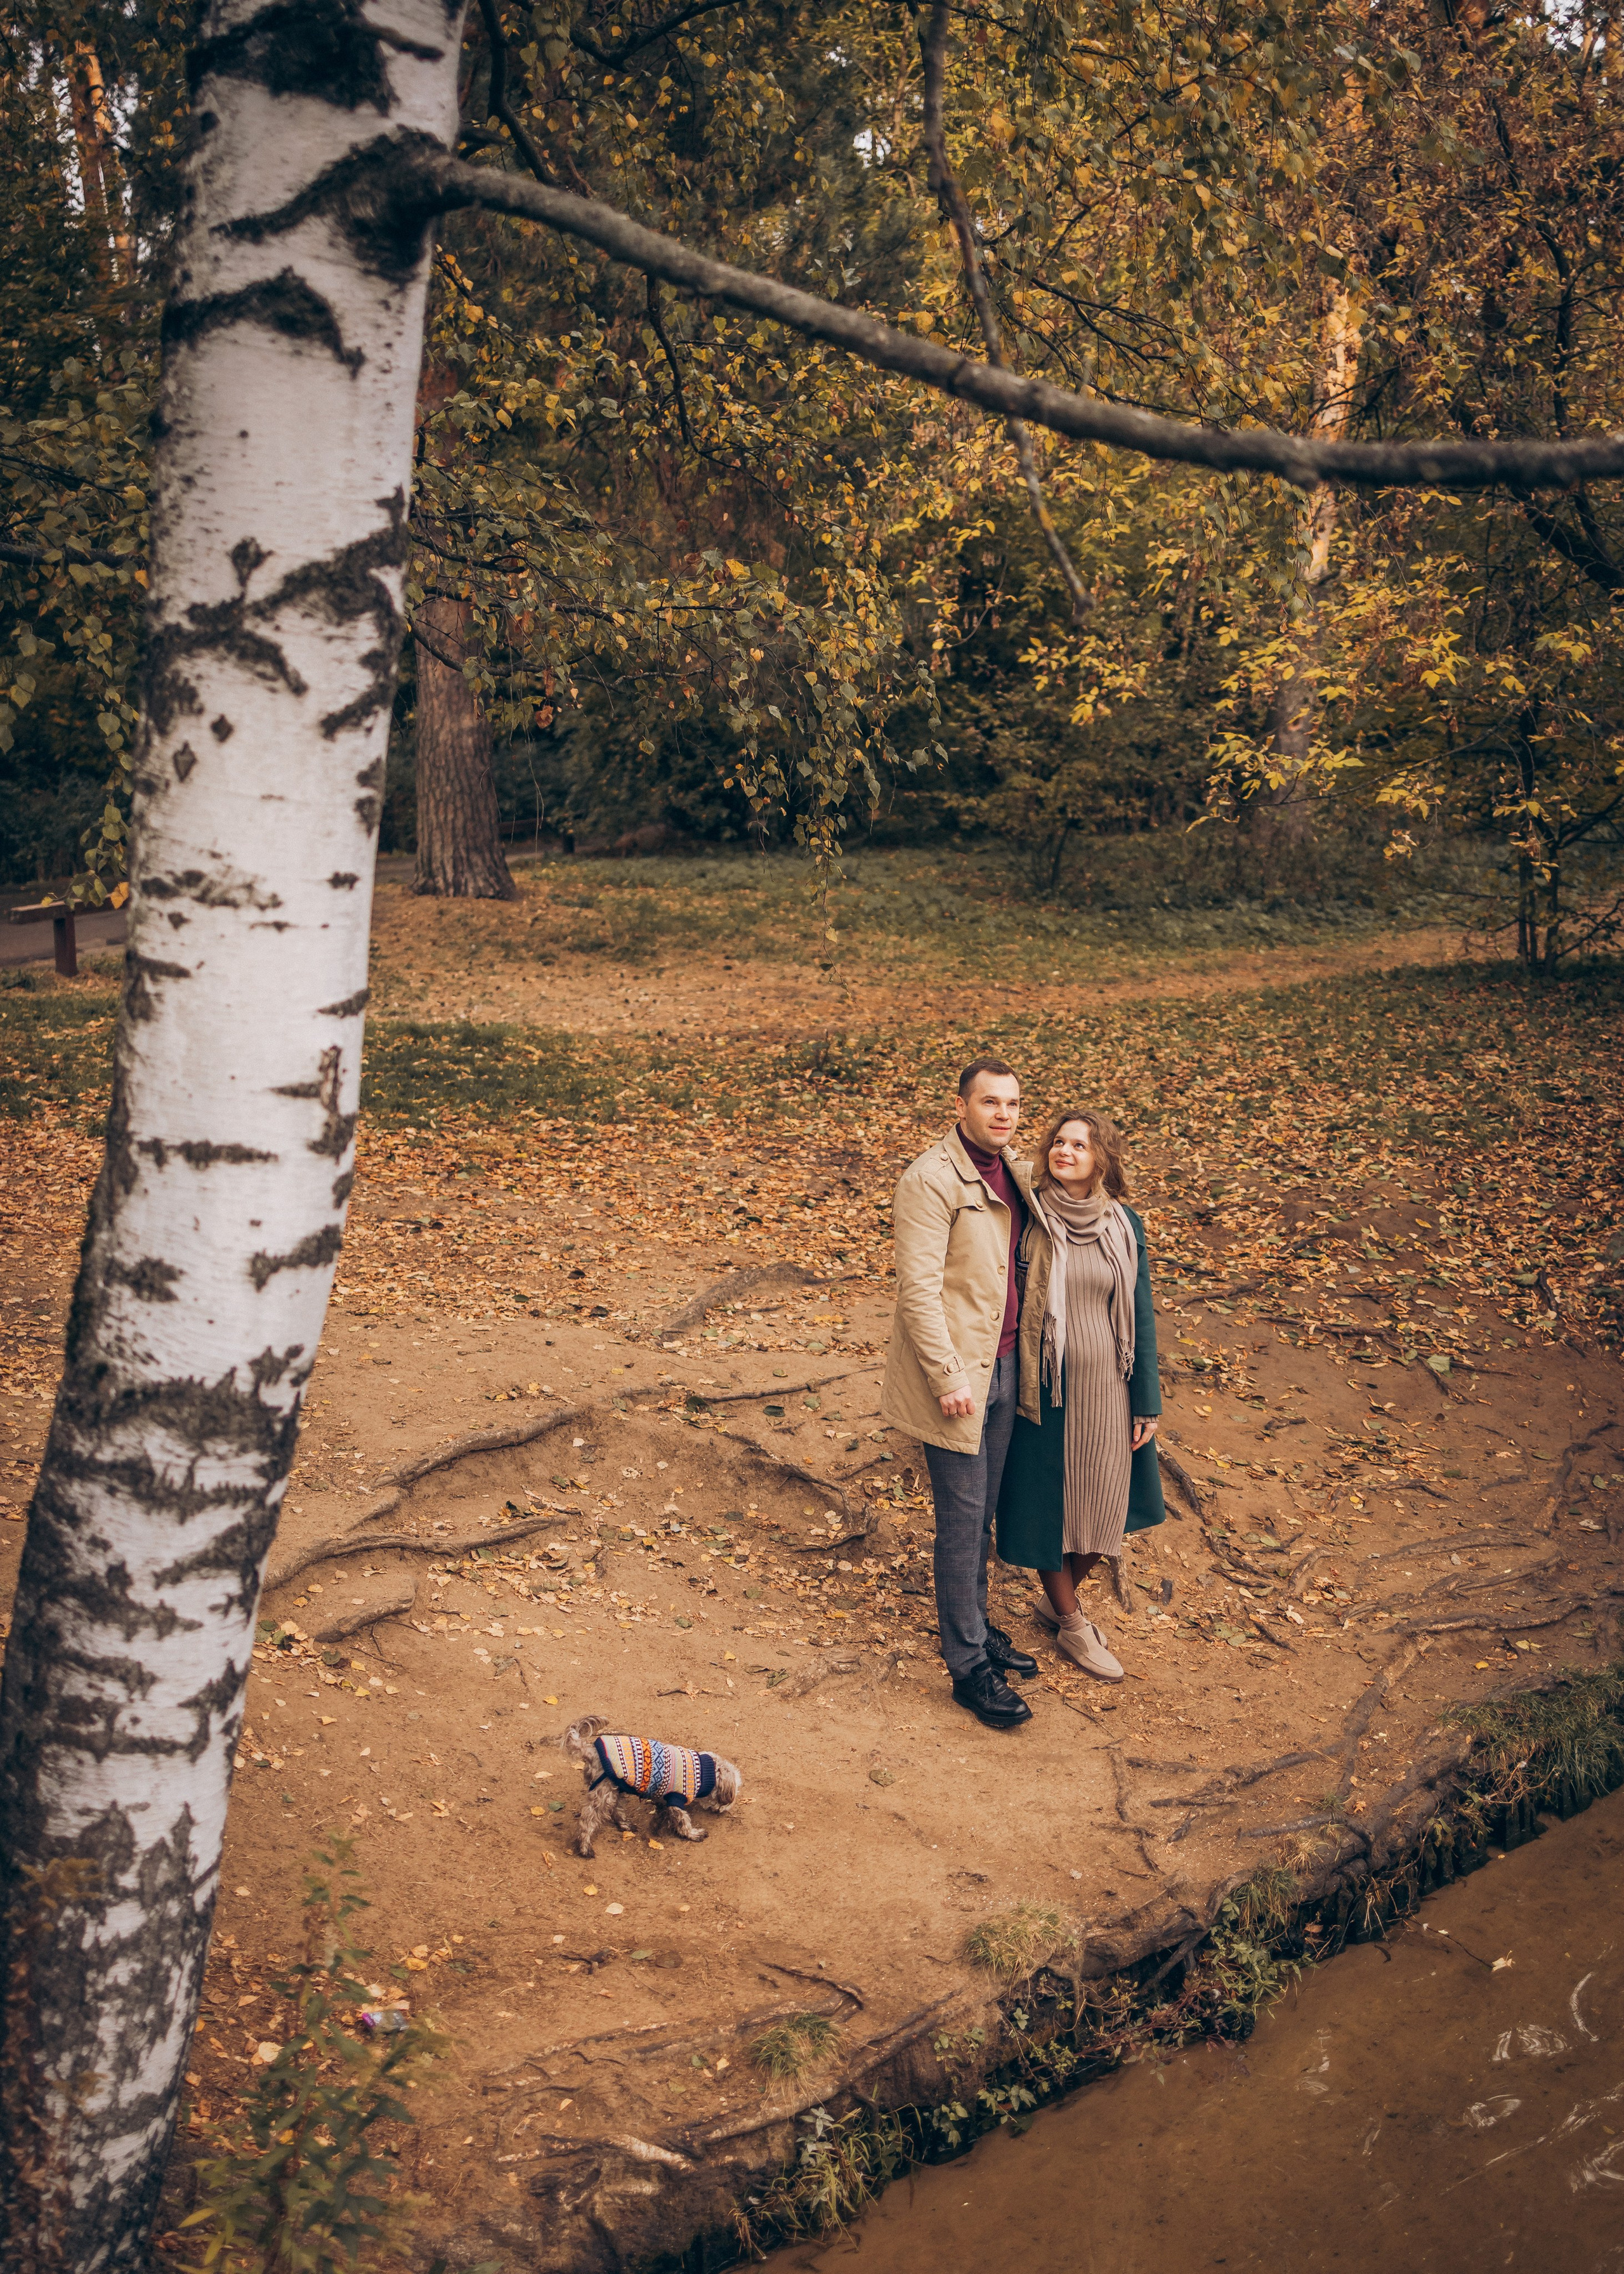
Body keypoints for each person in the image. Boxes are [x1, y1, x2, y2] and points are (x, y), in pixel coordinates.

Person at [881, 1055, 1040, 1730]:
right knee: (960, 1521)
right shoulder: (929, 1179)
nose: (1002, 1113)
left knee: (983, 1518)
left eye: (1011, 1103)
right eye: (989, 1102)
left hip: (1006, 1366)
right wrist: (947, 1377)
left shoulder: (1017, 1173)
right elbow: (917, 1290)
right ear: (961, 1107)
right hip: (960, 1379)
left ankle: (976, 1626)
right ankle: (967, 1665)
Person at [996, 1108, 1164, 1681]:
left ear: (1102, 1160)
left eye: (1080, 1145)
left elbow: (1139, 1312)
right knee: (1051, 1509)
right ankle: (1072, 1625)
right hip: (1047, 1386)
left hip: (1110, 1388)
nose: (1065, 1151)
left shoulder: (1124, 1223)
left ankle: (1053, 1602)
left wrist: (1147, 1399)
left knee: (1107, 1505)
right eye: (1059, 1142)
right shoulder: (1027, 1214)